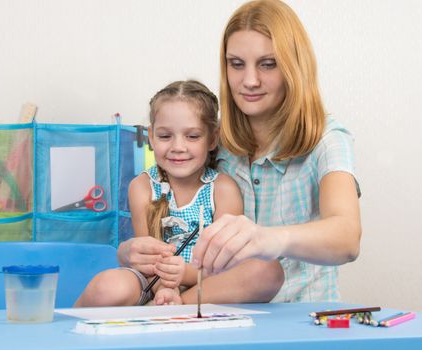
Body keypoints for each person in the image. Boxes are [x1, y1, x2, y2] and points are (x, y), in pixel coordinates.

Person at [191, 0, 362, 303]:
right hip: (229, 321)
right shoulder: (214, 142)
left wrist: (270, 239)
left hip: (303, 325)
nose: (250, 80)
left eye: (267, 64)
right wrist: (136, 249)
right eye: (236, 64)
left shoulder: (327, 140)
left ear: (293, 66)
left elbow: (347, 237)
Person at [74, 80, 284, 307]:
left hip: (204, 283)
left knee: (266, 270)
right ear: (151, 137)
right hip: (150, 282)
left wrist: (184, 276)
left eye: (192, 136)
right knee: (108, 286)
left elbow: (223, 262)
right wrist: (165, 288)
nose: (178, 147)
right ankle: (58, 337)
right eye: (165, 136)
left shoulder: (224, 189)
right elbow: (147, 260)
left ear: (212, 139)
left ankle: (173, 306)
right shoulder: (142, 186)